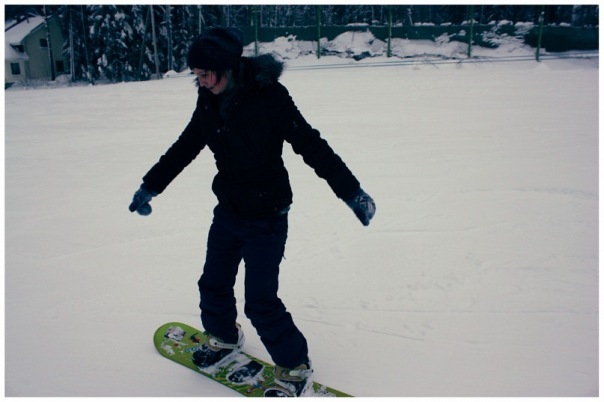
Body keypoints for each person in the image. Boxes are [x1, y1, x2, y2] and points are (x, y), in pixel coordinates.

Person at [128, 27, 375, 397]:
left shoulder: (269, 97)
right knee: (213, 284)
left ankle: (294, 365)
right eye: (196, 75)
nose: (201, 81)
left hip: (267, 215)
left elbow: (311, 145)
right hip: (229, 210)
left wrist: (352, 192)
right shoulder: (208, 100)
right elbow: (186, 145)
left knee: (260, 301)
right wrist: (151, 185)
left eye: (206, 74)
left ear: (227, 67)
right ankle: (224, 337)